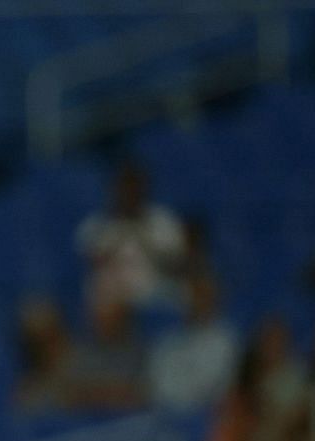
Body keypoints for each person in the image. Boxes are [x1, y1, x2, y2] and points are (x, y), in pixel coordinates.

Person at [75, 161, 186, 310]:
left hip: (154, 295)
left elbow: (175, 265)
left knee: (179, 293)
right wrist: (120, 232)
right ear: (114, 190)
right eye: (124, 189)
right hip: (113, 299)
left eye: (134, 189)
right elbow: (91, 264)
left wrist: (141, 232)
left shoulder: (162, 220)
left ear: (144, 189)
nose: (129, 195)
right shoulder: (97, 225)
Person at [147, 273, 241, 411]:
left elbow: (211, 389)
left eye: (204, 296)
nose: (198, 302)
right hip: (164, 415)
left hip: (204, 417)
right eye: (194, 297)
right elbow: (154, 383)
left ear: (214, 301)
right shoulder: (169, 340)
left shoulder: (225, 340)